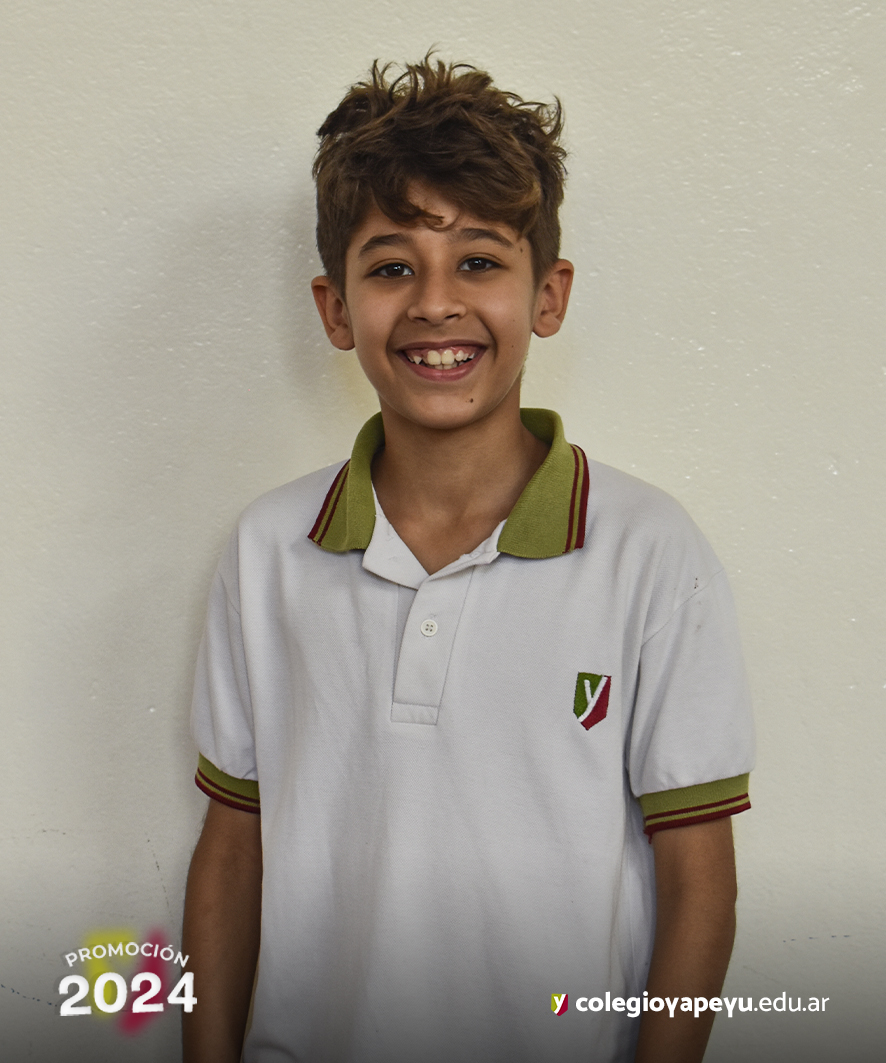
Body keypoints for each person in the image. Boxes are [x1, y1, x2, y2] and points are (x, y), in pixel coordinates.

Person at [182, 56, 754, 1063]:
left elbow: (698, 875)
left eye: (480, 261)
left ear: (548, 294)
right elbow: (232, 848)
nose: (435, 303)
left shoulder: (649, 550)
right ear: (334, 308)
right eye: (391, 267)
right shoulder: (268, 548)